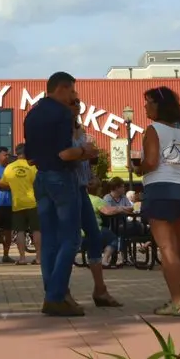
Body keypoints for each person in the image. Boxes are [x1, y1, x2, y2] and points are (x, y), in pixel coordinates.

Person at [24, 71, 95, 317]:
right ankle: (55, 296)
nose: (74, 97)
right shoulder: (62, 113)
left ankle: (55, 293)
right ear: (62, 89)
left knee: (50, 238)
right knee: (71, 237)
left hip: (41, 177)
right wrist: (85, 150)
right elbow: (66, 153)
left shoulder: (32, 114)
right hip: (62, 178)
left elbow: (29, 157)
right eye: (73, 91)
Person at [137, 85, 180, 317]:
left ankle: (176, 302)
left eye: (148, 102)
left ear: (159, 104)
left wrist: (137, 168)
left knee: (166, 248)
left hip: (161, 188)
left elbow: (152, 162)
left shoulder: (153, 129)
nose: (145, 106)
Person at [71, 107, 121, 307]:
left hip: (81, 188)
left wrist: (89, 172)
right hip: (68, 189)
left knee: (94, 235)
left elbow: (86, 159)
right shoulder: (62, 131)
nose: (77, 108)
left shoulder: (81, 131)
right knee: (69, 240)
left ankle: (100, 289)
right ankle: (60, 292)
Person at [0, 143, 40, 265]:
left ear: (17, 154)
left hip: (17, 203)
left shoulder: (9, 168)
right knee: (37, 230)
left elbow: (0, 185)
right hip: (32, 202)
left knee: (20, 231)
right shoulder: (33, 166)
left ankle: (22, 258)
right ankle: (39, 258)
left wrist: (12, 187)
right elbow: (37, 184)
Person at [0, 146, 15, 263]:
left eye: (8, 155)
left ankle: (6, 255)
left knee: (8, 230)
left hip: (9, 203)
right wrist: (15, 185)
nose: (7, 157)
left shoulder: (10, 168)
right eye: (5, 155)